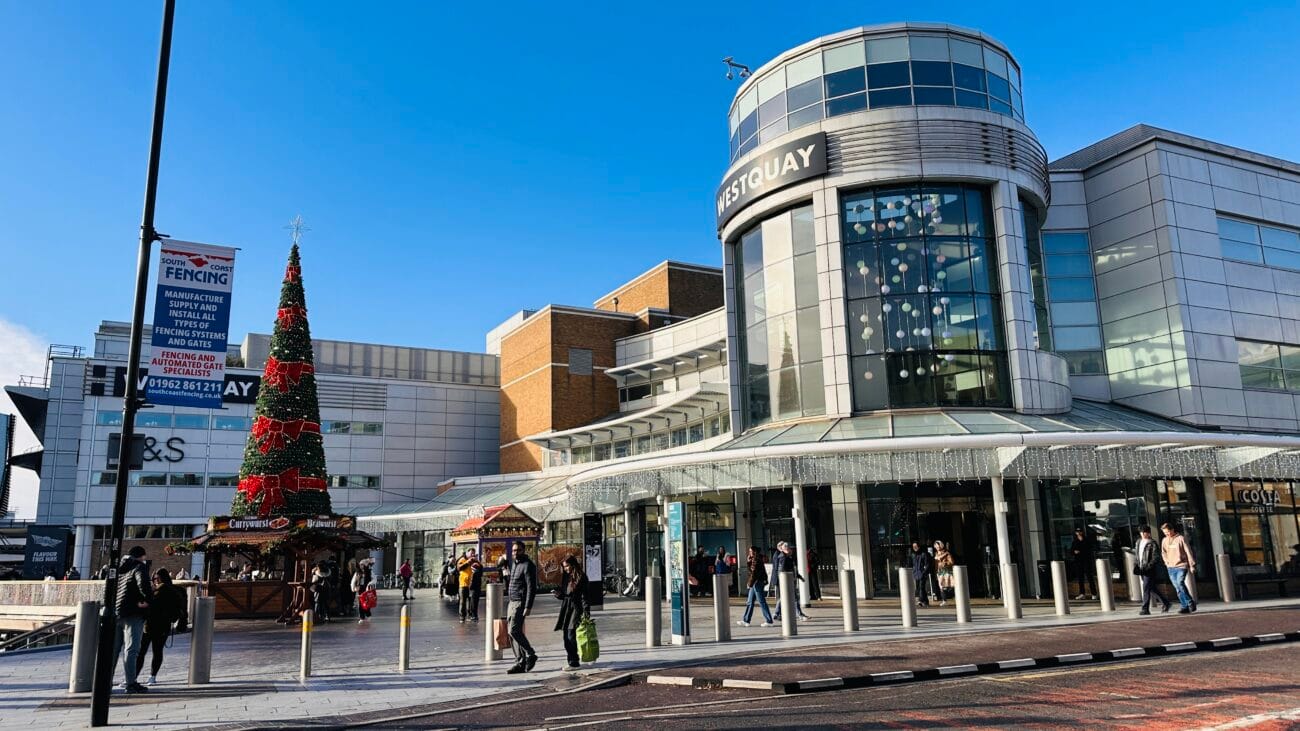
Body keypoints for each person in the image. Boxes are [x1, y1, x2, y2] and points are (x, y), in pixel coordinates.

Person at [136, 568, 187, 686]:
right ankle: (152, 676)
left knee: (141, 652)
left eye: (156, 578)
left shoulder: (158, 590)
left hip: (150, 625)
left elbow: (150, 605)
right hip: (164, 625)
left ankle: (134, 676)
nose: (154, 581)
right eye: (153, 579)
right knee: (157, 651)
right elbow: (182, 609)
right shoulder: (176, 590)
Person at [113, 545, 153, 693]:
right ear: (141, 556)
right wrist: (149, 600)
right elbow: (143, 584)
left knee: (114, 650)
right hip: (133, 612)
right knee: (131, 649)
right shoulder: (138, 567)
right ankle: (130, 683)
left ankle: (105, 681)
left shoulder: (118, 568)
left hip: (116, 611)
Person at [552, 555, 590, 671]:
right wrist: (559, 594)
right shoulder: (566, 577)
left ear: (573, 564)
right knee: (566, 636)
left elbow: (585, 596)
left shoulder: (581, 577)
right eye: (564, 567)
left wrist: (586, 612)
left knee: (571, 635)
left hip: (576, 608)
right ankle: (571, 660)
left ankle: (574, 662)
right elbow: (565, 595)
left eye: (567, 566)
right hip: (567, 608)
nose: (566, 569)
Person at [505, 542, 538, 674]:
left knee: (514, 631)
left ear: (524, 550)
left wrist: (528, 606)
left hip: (520, 602)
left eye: (518, 550)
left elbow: (531, 587)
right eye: (513, 551)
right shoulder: (515, 564)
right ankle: (520, 661)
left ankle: (530, 654)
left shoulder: (528, 565)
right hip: (512, 601)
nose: (515, 553)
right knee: (510, 632)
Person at [1134, 524, 1171, 615]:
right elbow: (1137, 555)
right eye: (1141, 532)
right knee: (1151, 588)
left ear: (1148, 533)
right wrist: (1137, 565)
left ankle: (1145, 609)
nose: (1143, 534)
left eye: (1144, 532)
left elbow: (1156, 557)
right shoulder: (1138, 542)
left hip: (1149, 569)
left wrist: (1148, 566)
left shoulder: (1152, 543)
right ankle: (1166, 603)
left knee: (1146, 588)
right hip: (1141, 568)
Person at [1161, 522, 1197, 613]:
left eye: (1168, 532)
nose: (1167, 534)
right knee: (1177, 588)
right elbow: (1163, 552)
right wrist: (1166, 562)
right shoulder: (1164, 540)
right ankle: (1184, 606)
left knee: (1180, 583)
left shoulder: (1181, 538)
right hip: (1170, 567)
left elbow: (1188, 551)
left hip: (1181, 565)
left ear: (1172, 530)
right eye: (1165, 533)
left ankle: (1190, 602)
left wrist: (1192, 565)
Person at [771, 541, 809, 621]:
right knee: (794, 598)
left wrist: (799, 576)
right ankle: (799, 614)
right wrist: (785, 579)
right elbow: (781, 570)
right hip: (786, 581)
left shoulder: (788, 557)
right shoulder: (783, 557)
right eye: (788, 549)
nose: (790, 550)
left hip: (788, 580)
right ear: (783, 549)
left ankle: (777, 613)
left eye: (790, 549)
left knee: (785, 598)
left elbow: (792, 569)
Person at [738, 546, 774, 627]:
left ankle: (769, 620)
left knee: (761, 602)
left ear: (754, 552)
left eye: (750, 551)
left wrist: (749, 583)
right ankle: (746, 620)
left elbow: (753, 574)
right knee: (750, 602)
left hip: (757, 583)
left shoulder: (756, 560)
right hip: (755, 583)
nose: (749, 552)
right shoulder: (754, 559)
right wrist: (748, 562)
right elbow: (752, 572)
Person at [1070, 527, 1098, 599]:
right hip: (1079, 561)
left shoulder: (1086, 540)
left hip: (1086, 561)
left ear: (1082, 532)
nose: (1078, 533)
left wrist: (1081, 547)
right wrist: (1074, 552)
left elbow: (1090, 549)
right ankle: (1082, 593)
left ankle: (1094, 593)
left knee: (1089, 577)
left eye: (1080, 532)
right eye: (1077, 532)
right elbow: (1071, 551)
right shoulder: (1075, 541)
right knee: (1080, 578)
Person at [457, 549, 483, 622]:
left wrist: (478, 563)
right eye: (471, 553)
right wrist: (468, 562)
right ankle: (462, 617)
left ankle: (471, 615)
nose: (472, 555)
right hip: (463, 584)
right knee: (463, 601)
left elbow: (481, 568)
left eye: (474, 554)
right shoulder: (462, 559)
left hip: (472, 585)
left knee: (471, 601)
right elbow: (459, 568)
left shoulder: (475, 560)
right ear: (467, 553)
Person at [910, 542, 931, 608]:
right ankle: (926, 601)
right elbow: (912, 564)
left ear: (919, 546)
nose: (915, 547)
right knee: (920, 588)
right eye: (913, 546)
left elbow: (927, 564)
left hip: (922, 573)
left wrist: (924, 572)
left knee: (921, 587)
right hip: (916, 573)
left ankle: (920, 600)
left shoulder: (924, 554)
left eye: (916, 546)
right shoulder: (913, 555)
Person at [933, 541, 954, 607]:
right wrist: (935, 572)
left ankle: (947, 598)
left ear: (941, 546)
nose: (937, 547)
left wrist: (945, 564)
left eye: (938, 546)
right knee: (941, 586)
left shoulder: (946, 553)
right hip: (940, 572)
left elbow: (952, 562)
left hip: (947, 571)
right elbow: (935, 564)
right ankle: (944, 600)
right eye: (936, 546)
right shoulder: (936, 554)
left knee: (949, 586)